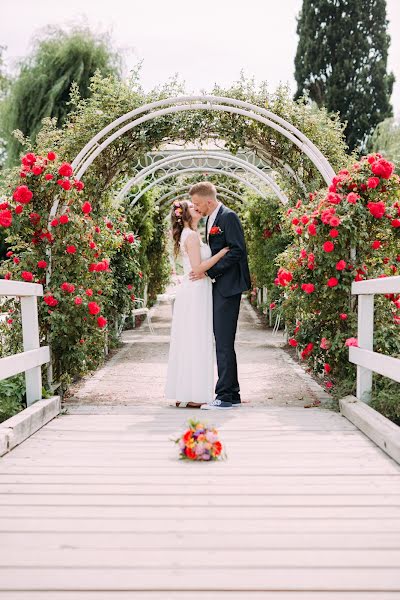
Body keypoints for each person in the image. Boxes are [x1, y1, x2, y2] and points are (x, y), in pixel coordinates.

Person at [189, 182, 251, 409]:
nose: (196, 208)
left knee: (223, 342)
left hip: (228, 286)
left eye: (197, 204)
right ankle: (232, 394)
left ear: (209, 201)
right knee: (223, 341)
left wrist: (210, 271)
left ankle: (224, 396)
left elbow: (237, 250)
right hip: (220, 285)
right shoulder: (211, 219)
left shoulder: (228, 217)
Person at [165, 200, 231, 409]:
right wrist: (222, 253)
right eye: (193, 208)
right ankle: (194, 394)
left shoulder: (190, 233)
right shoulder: (191, 236)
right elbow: (198, 267)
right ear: (185, 214)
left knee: (189, 339)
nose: (198, 208)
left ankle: (184, 391)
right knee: (197, 339)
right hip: (196, 290)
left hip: (194, 289)